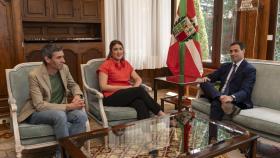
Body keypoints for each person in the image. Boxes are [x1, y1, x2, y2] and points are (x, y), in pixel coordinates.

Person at [18, 43, 88, 158]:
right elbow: (39, 105)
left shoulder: (64, 69)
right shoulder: (34, 75)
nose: (64, 60)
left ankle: (69, 153)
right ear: (47, 59)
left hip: (60, 109)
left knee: (81, 116)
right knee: (59, 115)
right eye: (59, 57)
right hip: (36, 113)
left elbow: (73, 85)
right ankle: (64, 154)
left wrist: (77, 95)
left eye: (63, 56)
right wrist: (69, 106)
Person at [97, 40, 165, 120]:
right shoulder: (106, 65)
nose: (119, 52)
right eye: (115, 49)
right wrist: (127, 88)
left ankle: (145, 130)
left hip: (126, 95)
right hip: (111, 97)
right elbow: (103, 87)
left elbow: (138, 78)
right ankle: (161, 114)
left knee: (140, 103)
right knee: (140, 90)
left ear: (123, 51)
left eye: (120, 49)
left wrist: (134, 88)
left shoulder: (126, 63)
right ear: (111, 52)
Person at [200, 41, 256, 121]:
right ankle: (220, 98)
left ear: (243, 51)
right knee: (203, 82)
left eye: (236, 51)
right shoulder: (225, 66)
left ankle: (212, 132)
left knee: (216, 103)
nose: (232, 53)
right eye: (231, 51)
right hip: (220, 95)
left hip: (234, 99)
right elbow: (212, 77)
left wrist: (231, 97)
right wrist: (207, 78)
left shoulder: (249, 69)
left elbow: (246, 91)